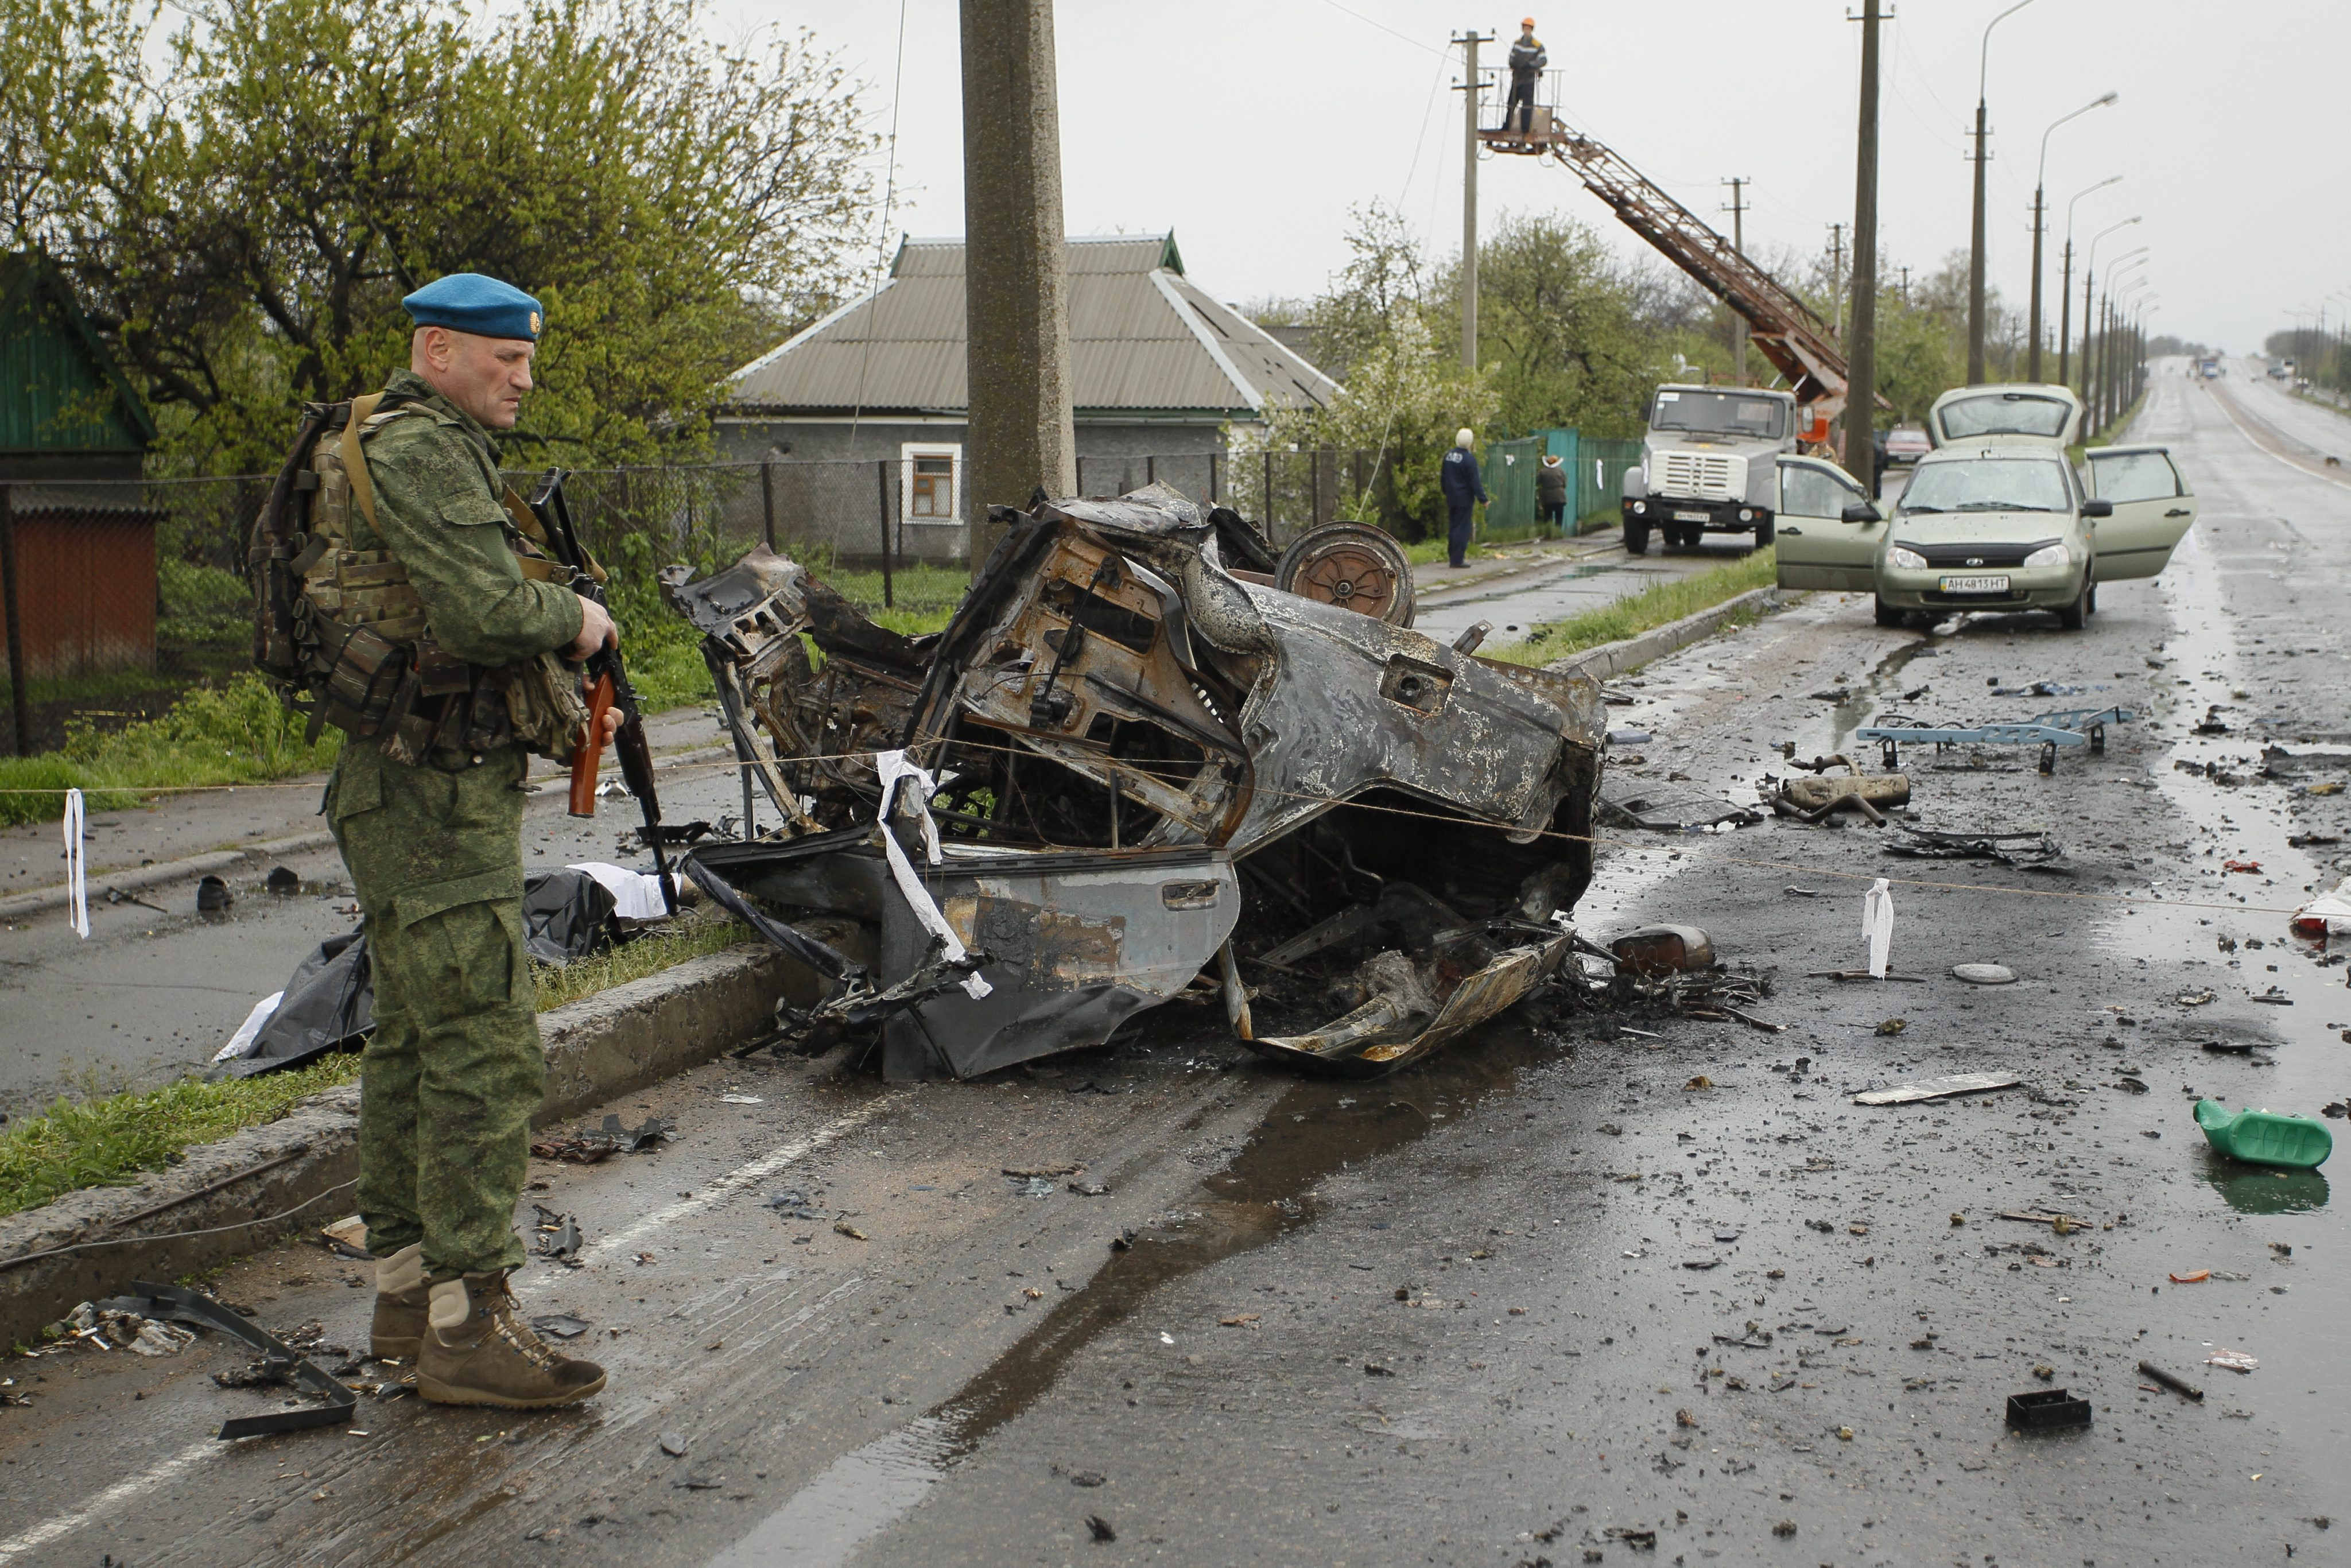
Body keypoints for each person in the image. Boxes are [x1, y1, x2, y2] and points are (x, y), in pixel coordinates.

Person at [342, 273, 618, 1409]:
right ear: (438, 347)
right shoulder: (419, 448)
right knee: (484, 1051)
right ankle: (469, 1322)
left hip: (419, 788)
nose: (522, 375)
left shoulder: (417, 443)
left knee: (415, 1042)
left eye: (527, 357)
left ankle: (410, 1304)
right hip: (428, 795)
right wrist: (579, 619)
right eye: (503, 356)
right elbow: (479, 615)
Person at [1440, 428, 1488, 568]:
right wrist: (1483, 499)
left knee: (1453, 527)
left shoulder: (1448, 456)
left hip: (1451, 497)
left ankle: (1452, 555)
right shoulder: (1469, 459)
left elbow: (1443, 477)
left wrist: (1446, 491)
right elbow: (1475, 481)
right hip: (1464, 498)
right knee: (1462, 528)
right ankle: (1457, 559)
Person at [1505, 18, 1545, 139]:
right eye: (1525, 28)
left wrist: (1531, 65)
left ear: (1532, 30)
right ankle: (1507, 126)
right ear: (1523, 29)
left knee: (1527, 106)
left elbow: (1543, 60)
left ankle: (1525, 129)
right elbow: (1511, 59)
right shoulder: (1517, 44)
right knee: (1511, 104)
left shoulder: (1538, 46)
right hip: (1517, 79)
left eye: (1529, 28)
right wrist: (1518, 64)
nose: (1527, 30)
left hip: (1529, 80)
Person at [1536, 451, 1569, 535]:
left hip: (1547, 497)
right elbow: (1565, 484)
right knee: (1559, 516)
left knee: (1548, 516)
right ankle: (1558, 533)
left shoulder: (1543, 472)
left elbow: (1537, 482)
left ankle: (1548, 533)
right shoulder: (1560, 471)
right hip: (1559, 497)